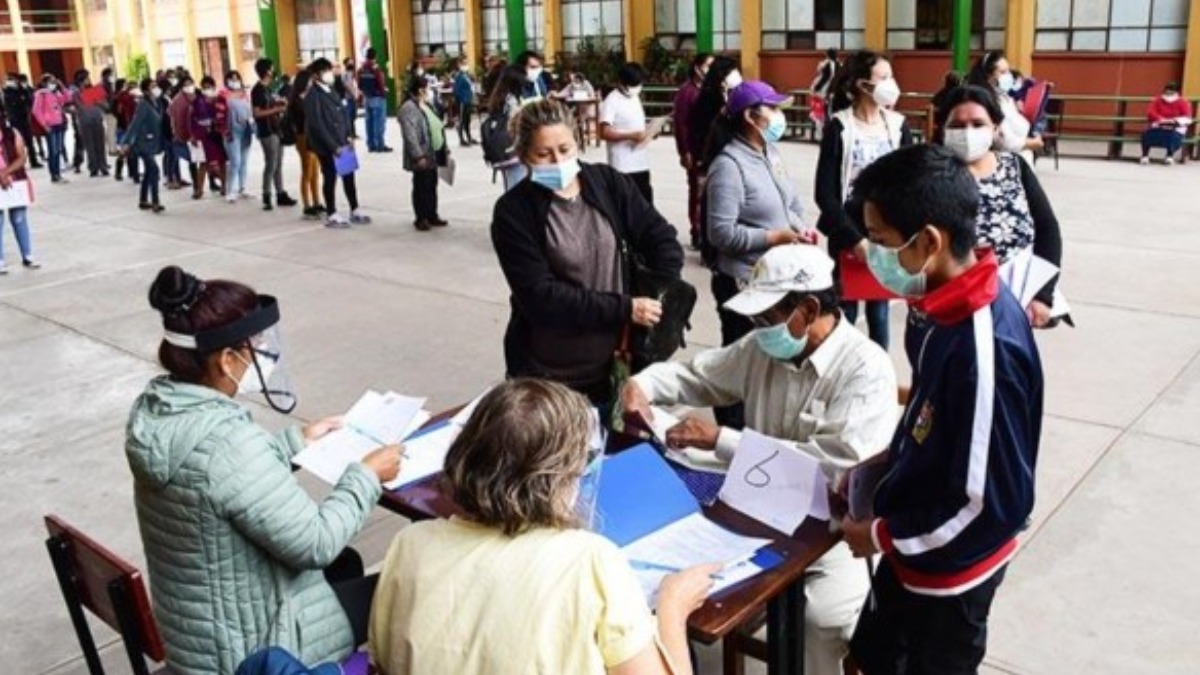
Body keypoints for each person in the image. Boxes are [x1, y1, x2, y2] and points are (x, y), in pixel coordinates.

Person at [621, 244, 897, 675]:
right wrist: (644, 386)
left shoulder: (866, 370)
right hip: (754, 511)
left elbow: (834, 470)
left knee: (823, 622)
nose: (758, 329)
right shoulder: (762, 348)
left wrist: (722, 440)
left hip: (835, 531)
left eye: (767, 318)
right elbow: (697, 376)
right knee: (656, 567)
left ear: (806, 309)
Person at [127, 265, 403, 675]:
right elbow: (316, 542)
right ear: (226, 360)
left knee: (346, 564)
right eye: (254, 346)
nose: (261, 353)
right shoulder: (228, 444)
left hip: (200, 640)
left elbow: (216, 482)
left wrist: (294, 443)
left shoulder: (158, 415)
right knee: (406, 589)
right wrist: (365, 476)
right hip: (255, 651)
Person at [840, 144, 1042, 675]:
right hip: (913, 540)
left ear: (929, 241)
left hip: (951, 570)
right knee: (864, 661)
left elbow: (986, 504)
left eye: (881, 241)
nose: (870, 254)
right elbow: (930, 421)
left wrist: (880, 535)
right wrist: (878, 469)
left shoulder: (984, 346)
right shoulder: (939, 306)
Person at [369, 378, 718, 675]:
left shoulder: (410, 543)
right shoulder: (590, 560)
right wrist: (673, 609)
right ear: (557, 479)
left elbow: (383, 662)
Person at [490, 100, 684, 405]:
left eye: (565, 150)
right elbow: (540, 297)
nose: (557, 160)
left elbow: (659, 236)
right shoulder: (513, 212)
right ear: (524, 155)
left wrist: (663, 287)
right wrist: (625, 308)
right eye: (544, 154)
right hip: (551, 373)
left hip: (619, 361)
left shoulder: (608, 183)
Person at [704, 80, 814, 429]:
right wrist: (774, 237)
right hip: (741, 282)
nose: (780, 115)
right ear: (752, 117)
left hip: (772, 278)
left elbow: (791, 202)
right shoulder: (729, 166)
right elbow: (720, 233)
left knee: (766, 364)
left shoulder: (771, 154)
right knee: (738, 365)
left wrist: (798, 228)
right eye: (774, 108)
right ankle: (728, 435)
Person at [935, 85, 1064, 328]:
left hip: (1016, 305)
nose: (967, 132)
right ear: (943, 129)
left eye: (977, 123)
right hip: (951, 307)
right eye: (957, 125)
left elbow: (1048, 229)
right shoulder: (930, 174)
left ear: (995, 127)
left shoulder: (1014, 167)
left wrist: (1043, 295)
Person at [815, 50, 912, 351]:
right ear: (861, 85)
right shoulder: (840, 127)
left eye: (891, 76)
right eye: (883, 78)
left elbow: (910, 186)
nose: (891, 84)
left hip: (886, 240)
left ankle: (877, 377)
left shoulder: (897, 126)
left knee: (880, 314)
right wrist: (855, 241)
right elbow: (825, 195)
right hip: (849, 236)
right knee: (846, 313)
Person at [305, 58, 370, 228]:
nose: (330, 73)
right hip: (327, 145)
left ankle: (354, 209)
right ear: (315, 75)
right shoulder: (313, 96)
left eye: (330, 69)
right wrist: (333, 146)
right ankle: (332, 213)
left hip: (342, 140)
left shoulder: (331, 90)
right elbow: (317, 124)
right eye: (326, 70)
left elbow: (343, 114)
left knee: (349, 175)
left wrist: (349, 136)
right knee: (330, 176)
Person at [600, 63, 657, 204]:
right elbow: (604, 131)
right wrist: (630, 136)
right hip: (623, 165)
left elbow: (637, 124)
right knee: (627, 204)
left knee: (645, 203)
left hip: (641, 162)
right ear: (621, 82)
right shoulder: (611, 101)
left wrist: (650, 132)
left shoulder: (634, 97)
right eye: (633, 84)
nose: (636, 88)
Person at [967, 51, 1042, 158]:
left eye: (1008, 71)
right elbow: (1004, 141)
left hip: (1021, 157)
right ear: (988, 75)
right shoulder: (986, 101)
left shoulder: (1005, 98)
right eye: (1002, 72)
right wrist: (1033, 143)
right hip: (1004, 160)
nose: (1008, 76)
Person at [672, 53, 713, 249]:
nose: (710, 70)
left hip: (712, 149)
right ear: (697, 68)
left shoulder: (712, 89)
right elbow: (681, 124)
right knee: (697, 191)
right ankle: (697, 231)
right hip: (695, 151)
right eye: (707, 66)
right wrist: (684, 151)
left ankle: (708, 232)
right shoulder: (686, 92)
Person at [398, 76, 448, 231]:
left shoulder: (426, 104)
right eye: (426, 88)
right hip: (422, 154)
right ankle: (421, 217)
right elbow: (410, 134)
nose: (429, 91)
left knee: (432, 184)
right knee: (421, 186)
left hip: (433, 151)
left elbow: (435, 124)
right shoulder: (408, 108)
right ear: (419, 89)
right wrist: (418, 155)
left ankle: (432, 214)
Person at [252, 58, 298, 211]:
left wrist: (279, 103)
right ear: (266, 71)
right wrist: (276, 110)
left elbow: (270, 104)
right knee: (271, 164)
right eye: (272, 68)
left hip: (276, 129)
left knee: (278, 164)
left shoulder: (268, 89)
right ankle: (266, 195)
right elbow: (257, 113)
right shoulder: (257, 90)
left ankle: (280, 193)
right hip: (267, 131)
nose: (274, 70)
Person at [0, 109, 40, 274]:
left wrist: (5, 172)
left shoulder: (12, 132)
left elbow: (22, 157)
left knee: (19, 219)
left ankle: (27, 255)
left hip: (16, 180)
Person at [121, 78, 166, 213]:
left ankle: (143, 199)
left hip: (153, 142)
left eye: (156, 85)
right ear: (146, 90)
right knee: (154, 170)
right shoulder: (143, 104)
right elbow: (135, 124)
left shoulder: (157, 102)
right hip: (143, 143)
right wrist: (126, 142)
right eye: (152, 86)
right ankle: (155, 201)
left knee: (148, 172)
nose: (156, 88)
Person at [486, 65, 532, 189]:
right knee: (518, 184)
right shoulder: (510, 100)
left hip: (504, 149)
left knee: (512, 182)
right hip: (513, 148)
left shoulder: (500, 96)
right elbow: (517, 121)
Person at [288, 69, 324, 219]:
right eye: (310, 80)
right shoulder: (297, 100)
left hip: (312, 136)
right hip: (303, 137)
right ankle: (307, 204)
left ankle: (317, 201)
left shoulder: (309, 97)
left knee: (315, 170)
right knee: (307, 169)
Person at [219, 71, 254, 204]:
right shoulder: (223, 95)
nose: (234, 81)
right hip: (231, 132)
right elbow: (219, 116)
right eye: (231, 79)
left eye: (236, 78)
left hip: (245, 130)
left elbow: (249, 112)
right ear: (226, 81)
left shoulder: (245, 94)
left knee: (244, 161)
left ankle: (242, 187)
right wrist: (225, 131)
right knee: (235, 162)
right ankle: (230, 191)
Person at [190, 76, 227, 199]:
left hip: (217, 133)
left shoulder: (220, 99)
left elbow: (225, 115)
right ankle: (199, 190)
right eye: (204, 87)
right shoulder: (197, 101)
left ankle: (224, 186)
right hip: (203, 134)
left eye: (209, 87)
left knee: (222, 161)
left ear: (214, 87)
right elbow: (192, 119)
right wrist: (194, 135)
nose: (207, 89)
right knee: (204, 162)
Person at [1140, 81, 1193, 165]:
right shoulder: (1157, 100)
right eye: (1167, 91)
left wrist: (1174, 121)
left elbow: (1186, 116)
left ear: (1177, 92)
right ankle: (1145, 155)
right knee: (1147, 133)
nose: (1168, 94)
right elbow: (1151, 112)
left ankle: (1169, 155)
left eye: (1171, 91)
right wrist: (1160, 119)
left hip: (1175, 126)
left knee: (1172, 136)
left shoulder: (1183, 102)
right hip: (1159, 124)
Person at [32, 74, 72, 183]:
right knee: (52, 150)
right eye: (51, 82)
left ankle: (58, 173)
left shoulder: (56, 93)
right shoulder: (41, 94)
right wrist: (44, 124)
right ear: (44, 83)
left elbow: (68, 98)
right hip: (50, 125)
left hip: (59, 123)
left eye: (54, 81)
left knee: (58, 150)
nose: (53, 84)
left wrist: (62, 86)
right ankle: (54, 174)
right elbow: (36, 111)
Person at [74, 69, 109, 177]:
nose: (88, 80)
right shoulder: (76, 93)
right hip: (85, 122)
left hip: (97, 120)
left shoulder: (96, 90)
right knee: (90, 146)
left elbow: (106, 106)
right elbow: (78, 106)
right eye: (85, 79)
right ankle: (93, 167)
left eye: (88, 78)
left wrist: (99, 102)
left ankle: (103, 166)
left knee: (100, 144)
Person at [4, 73, 42, 169]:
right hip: (14, 120)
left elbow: (30, 100)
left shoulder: (21, 90)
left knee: (29, 141)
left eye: (13, 79)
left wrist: (22, 88)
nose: (12, 81)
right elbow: (7, 103)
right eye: (10, 79)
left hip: (24, 118)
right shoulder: (6, 91)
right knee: (17, 143)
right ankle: (18, 163)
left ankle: (34, 161)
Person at [168, 76, 199, 193]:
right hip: (183, 134)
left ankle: (210, 183)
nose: (189, 87)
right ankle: (196, 185)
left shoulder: (196, 97)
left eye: (191, 83)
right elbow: (172, 118)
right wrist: (175, 132)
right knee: (192, 160)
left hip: (198, 133)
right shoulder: (177, 100)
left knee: (204, 159)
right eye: (186, 84)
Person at [358, 47, 392, 152]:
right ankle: (380, 146)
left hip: (367, 98)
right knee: (379, 122)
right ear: (375, 56)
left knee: (369, 122)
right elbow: (381, 84)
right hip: (377, 98)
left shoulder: (361, 69)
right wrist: (383, 94)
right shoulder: (375, 68)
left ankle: (371, 145)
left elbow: (359, 85)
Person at [452, 56, 477, 146]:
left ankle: (469, 137)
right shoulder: (458, 76)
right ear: (459, 65)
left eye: (466, 63)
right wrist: (460, 100)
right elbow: (456, 90)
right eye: (463, 63)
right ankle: (461, 139)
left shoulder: (466, 75)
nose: (465, 65)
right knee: (462, 120)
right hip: (462, 101)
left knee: (467, 120)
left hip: (468, 100)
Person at [341, 57, 360, 139]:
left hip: (352, 97)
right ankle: (349, 133)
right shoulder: (346, 74)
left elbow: (354, 85)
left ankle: (353, 132)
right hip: (349, 98)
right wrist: (353, 94)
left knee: (353, 116)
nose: (352, 64)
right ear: (346, 64)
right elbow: (347, 85)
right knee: (349, 116)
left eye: (352, 62)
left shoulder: (352, 73)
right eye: (350, 62)